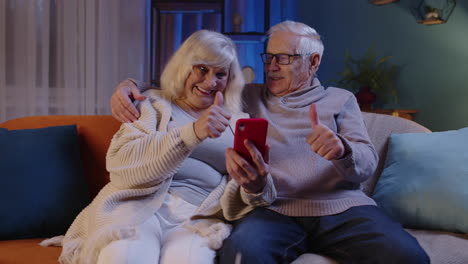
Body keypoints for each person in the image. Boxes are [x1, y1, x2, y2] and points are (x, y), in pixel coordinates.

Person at [110, 21, 429, 264]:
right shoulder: (244, 96)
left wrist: (342, 151)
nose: (271, 66)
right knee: (241, 254)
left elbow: (365, 164)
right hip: (271, 208)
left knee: (409, 256)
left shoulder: (340, 99)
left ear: (313, 62)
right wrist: (131, 86)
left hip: (342, 209)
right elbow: (185, 88)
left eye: (284, 58)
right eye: (269, 56)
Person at [51, 30, 276, 264]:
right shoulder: (152, 104)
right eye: (202, 69)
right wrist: (193, 132)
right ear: (184, 67)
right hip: (139, 207)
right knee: (123, 257)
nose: (210, 82)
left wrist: (256, 186)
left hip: (196, 217)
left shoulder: (237, 122)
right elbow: (120, 163)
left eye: (220, 74)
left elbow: (259, 195)